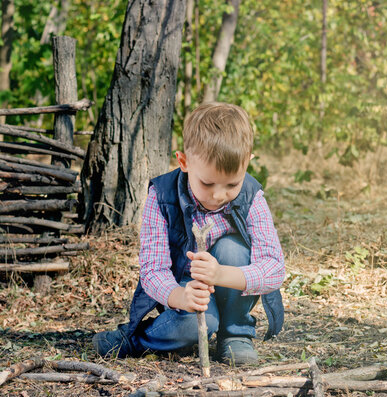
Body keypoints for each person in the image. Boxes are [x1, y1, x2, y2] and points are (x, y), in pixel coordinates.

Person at [92, 102, 285, 365]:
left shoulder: (252, 197)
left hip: (230, 280)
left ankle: (236, 335)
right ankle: (137, 339)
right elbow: (153, 271)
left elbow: (274, 268)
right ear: (183, 162)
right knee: (196, 326)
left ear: (248, 161)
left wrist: (220, 274)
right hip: (183, 286)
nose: (219, 195)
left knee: (233, 248)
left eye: (232, 184)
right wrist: (180, 296)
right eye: (207, 183)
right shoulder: (161, 196)